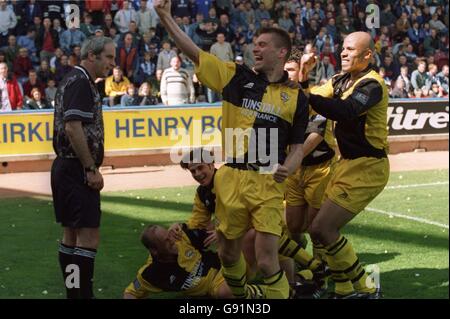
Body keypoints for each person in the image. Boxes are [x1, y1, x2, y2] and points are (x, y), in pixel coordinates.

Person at [155, 0, 309, 299]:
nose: (256, 48)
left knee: (267, 260)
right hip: (231, 179)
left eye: (262, 44)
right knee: (228, 256)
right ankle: (244, 298)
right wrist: (165, 16)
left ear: (281, 52)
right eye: (254, 44)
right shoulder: (236, 77)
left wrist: (289, 165)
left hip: (267, 181)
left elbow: (299, 146)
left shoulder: (296, 98)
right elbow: (193, 52)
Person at [299, 32, 389, 299]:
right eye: (343, 48)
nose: (343, 53)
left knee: (321, 228)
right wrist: (303, 75)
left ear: (368, 55)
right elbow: (311, 98)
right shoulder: (339, 80)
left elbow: (344, 110)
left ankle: (367, 288)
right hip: (347, 164)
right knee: (321, 230)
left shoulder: (372, 85)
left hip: (368, 168)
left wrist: (308, 95)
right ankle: (343, 288)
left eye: (351, 49)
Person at [51, 36, 116, 299]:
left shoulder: (75, 79)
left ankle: (74, 293)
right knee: (87, 238)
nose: (112, 63)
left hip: (66, 168)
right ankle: (81, 295)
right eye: (109, 57)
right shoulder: (80, 82)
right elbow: (72, 126)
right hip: (76, 169)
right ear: (92, 56)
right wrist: (90, 167)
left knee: (71, 235)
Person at [283, 48, 336, 272]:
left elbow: (316, 135)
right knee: (293, 226)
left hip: (319, 169)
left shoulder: (317, 96)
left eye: (291, 70)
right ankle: (302, 258)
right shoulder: (277, 98)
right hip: (294, 170)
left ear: (301, 72)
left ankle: (321, 270)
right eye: (283, 69)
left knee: (317, 227)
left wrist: (290, 161)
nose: (286, 74)